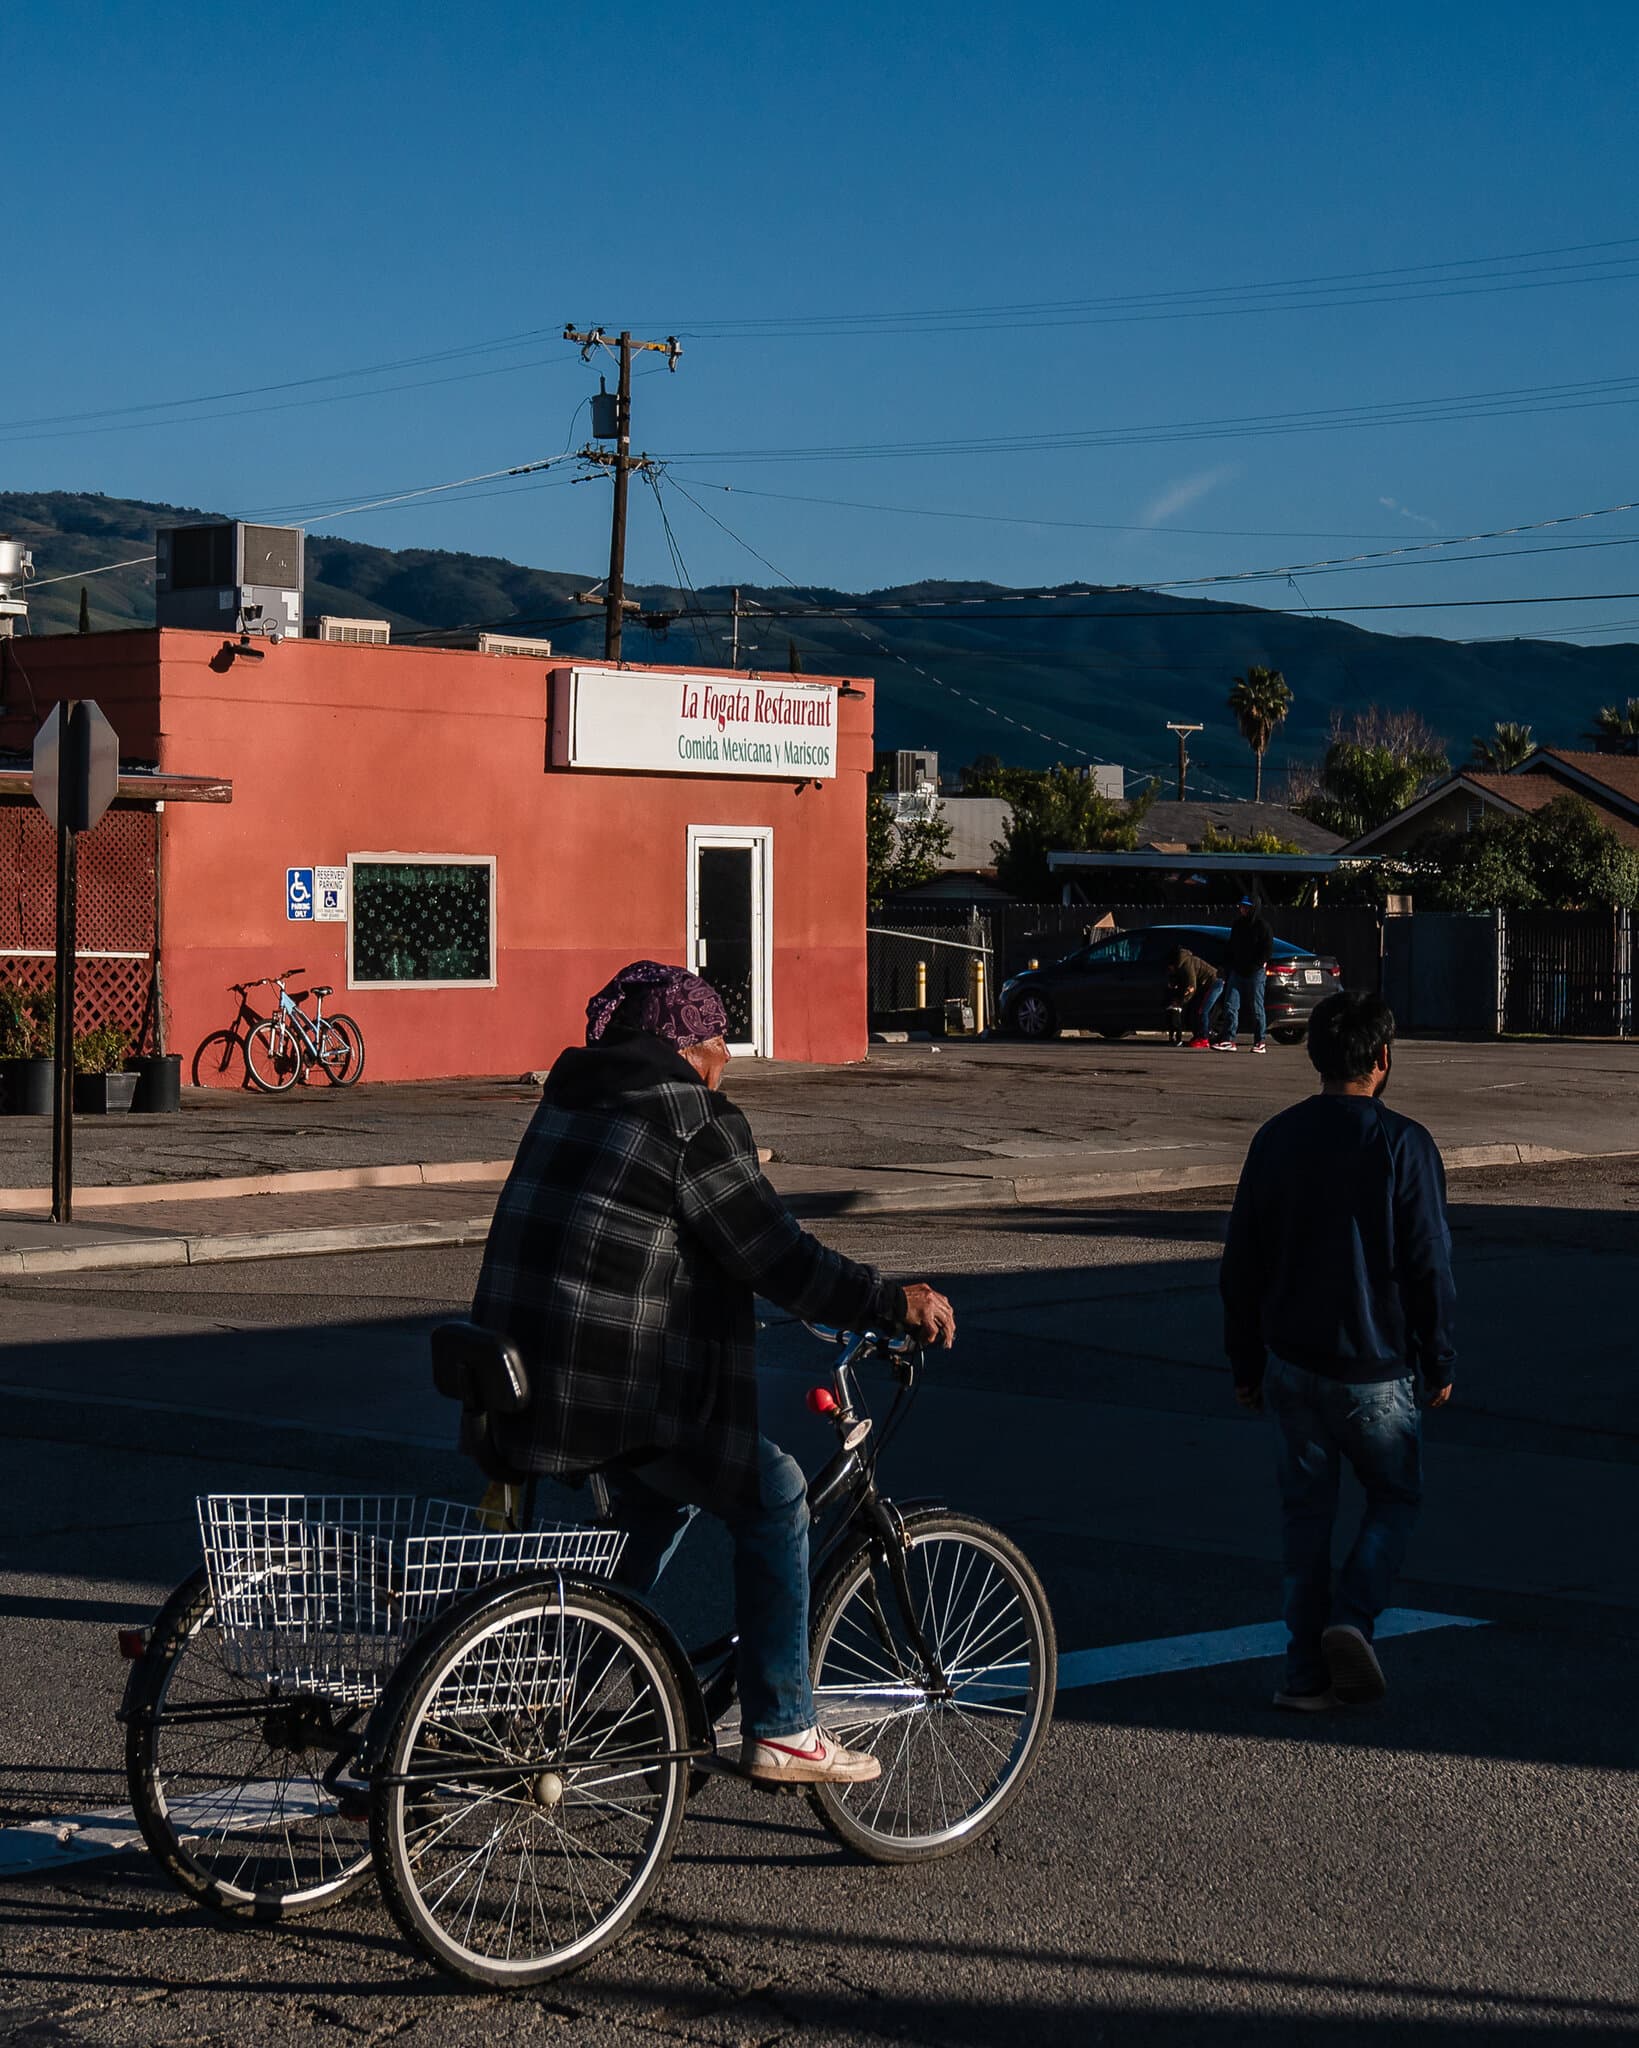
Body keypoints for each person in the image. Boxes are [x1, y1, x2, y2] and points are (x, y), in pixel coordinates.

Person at [472, 960, 957, 1786]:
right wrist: (887, 1302)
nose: (727, 1059)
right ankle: (783, 1727)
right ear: (685, 1046)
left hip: (524, 1375)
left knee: (654, 1506)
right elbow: (775, 1254)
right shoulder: (689, 1118)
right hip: (614, 1389)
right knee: (774, 1494)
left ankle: (548, 1702)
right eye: (718, 1042)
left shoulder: (571, 1098)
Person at [1219, 990, 1456, 1711]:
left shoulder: (1276, 1138)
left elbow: (1241, 1265)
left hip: (1291, 1361)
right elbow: (1428, 1263)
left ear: (1316, 1057)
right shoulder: (1403, 1144)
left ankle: (1303, 1675)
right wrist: (1438, 1358)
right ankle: (1352, 1616)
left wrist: (1245, 1363)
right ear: (1381, 1058)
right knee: (1394, 1497)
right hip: (1376, 1365)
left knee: (1305, 1521)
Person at [1213, 896, 1275, 1053]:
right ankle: (1229, 1039)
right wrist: (1225, 966)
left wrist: (1257, 964)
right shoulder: (1238, 925)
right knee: (1230, 1005)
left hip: (1255, 972)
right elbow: (1231, 946)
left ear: (1254, 908)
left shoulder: (1263, 926)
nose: (1243, 909)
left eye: (1246, 907)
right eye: (1241, 906)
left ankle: (1260, 1041)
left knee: (1256, 1006)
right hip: (1237, 971)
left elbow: (1267, 949)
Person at [1165, 942, 1220, 1050]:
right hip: (1205, 985)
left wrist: (1181, 1002)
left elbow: (1191, 987)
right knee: (1195, 1009)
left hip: (1213, 983)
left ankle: (1204, 1038)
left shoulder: (1186, 964)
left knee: (1202, 1010)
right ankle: (1198, 1036)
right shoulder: (1181, 965)